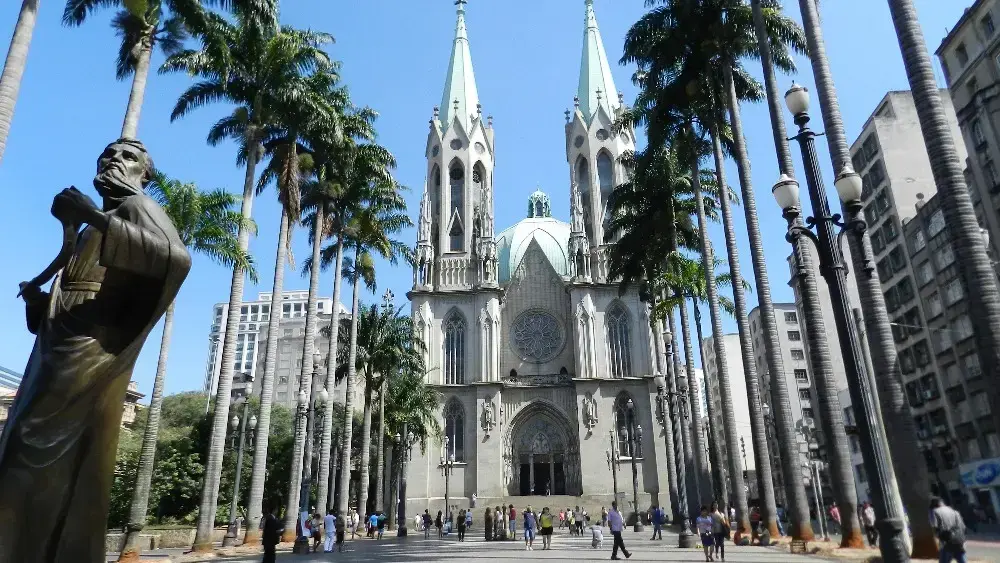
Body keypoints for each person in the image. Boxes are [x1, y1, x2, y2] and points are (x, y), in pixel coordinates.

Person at [931, 497, 968, 563]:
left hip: (946, 543)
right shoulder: (955, 511)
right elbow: (963, 527)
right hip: (959, 541)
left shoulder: (935, 512)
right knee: (962, 560)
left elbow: (934, 528)